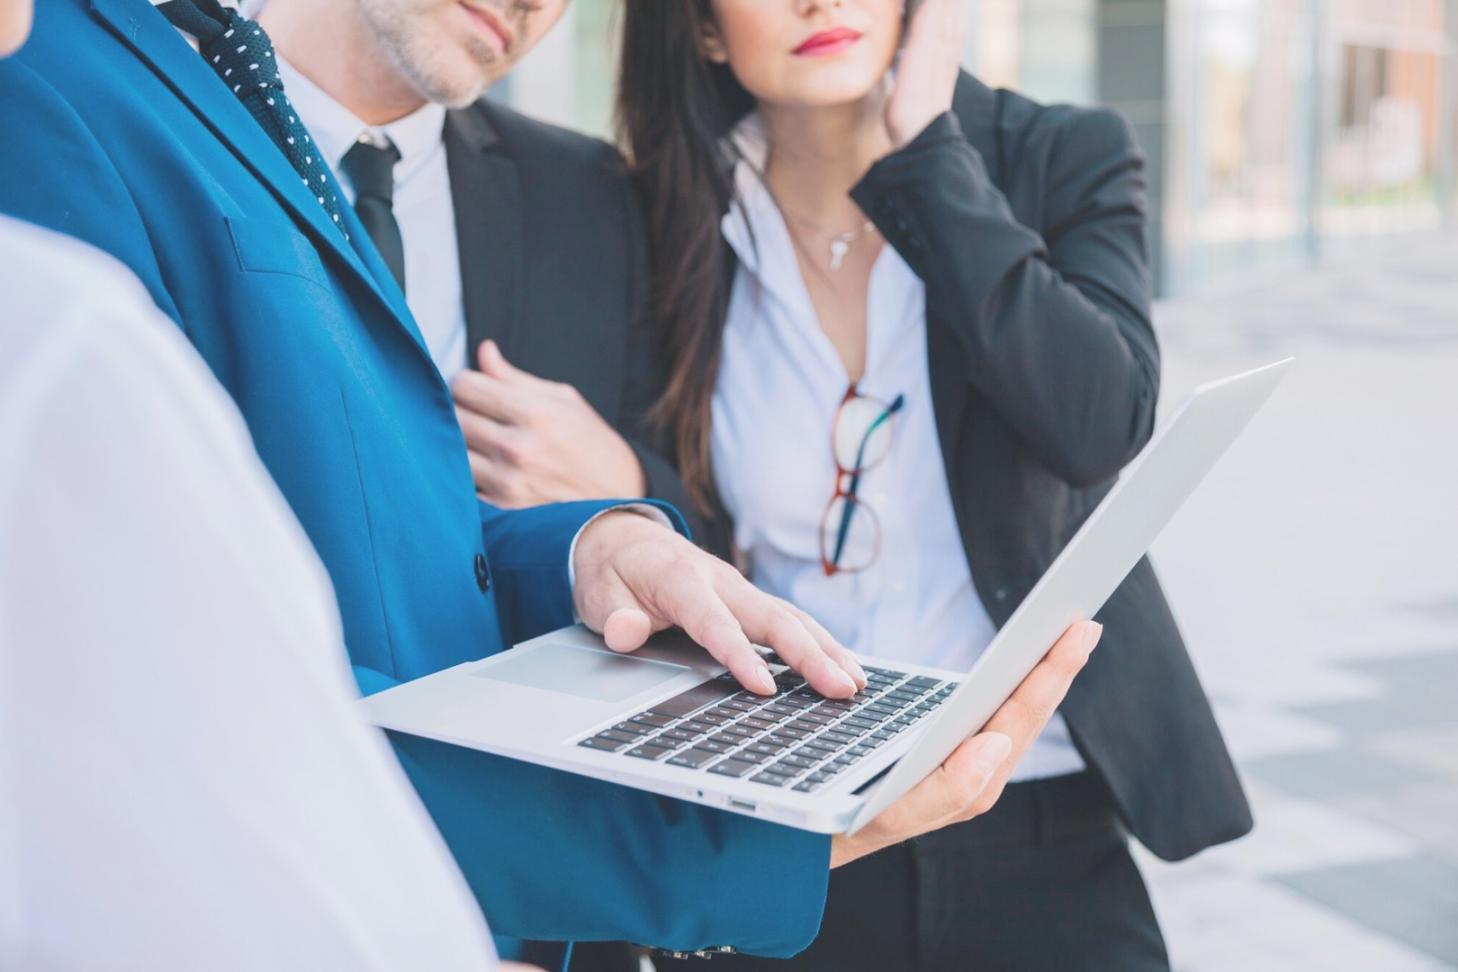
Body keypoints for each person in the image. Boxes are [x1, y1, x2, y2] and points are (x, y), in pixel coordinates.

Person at [0, 0, 1099, 964]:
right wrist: (756, 846)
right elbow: (184, 692)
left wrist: (596, 537)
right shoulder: (62, 80)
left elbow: (380, 528)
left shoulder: (223, 78)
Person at [617, 1, 1253, 969]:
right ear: (703, 28)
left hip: (1033, 808)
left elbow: (1098, 425)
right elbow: (670, 499)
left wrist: (926, 154)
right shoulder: (661, 212)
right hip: (797, 821)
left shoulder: (1059, 154)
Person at [0, 6, 524, 967]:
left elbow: (355, 492)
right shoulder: (40, 68)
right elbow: (152, 657)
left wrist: (594, 539)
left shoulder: (222, 56)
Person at [254, 0, 702, 531]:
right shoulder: (168, 120)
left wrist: (628, 492)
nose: (537, 5)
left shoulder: (593, 197)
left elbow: (710, 529)